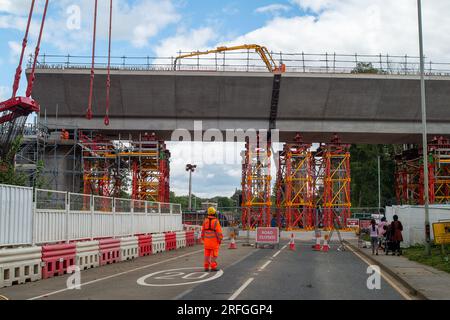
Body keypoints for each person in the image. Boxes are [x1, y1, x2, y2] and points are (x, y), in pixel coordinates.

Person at [201, 207, 223, 272]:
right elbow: (219, 232)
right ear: (214, 213)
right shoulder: (216, 221)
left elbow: (203, 231)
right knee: (214, 255)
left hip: (206, 242)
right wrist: (220, 239)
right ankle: (213, 267)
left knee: (206, 255)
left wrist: (202, 239)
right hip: (214, 242)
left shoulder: (205, 221)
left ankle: (206, 267)